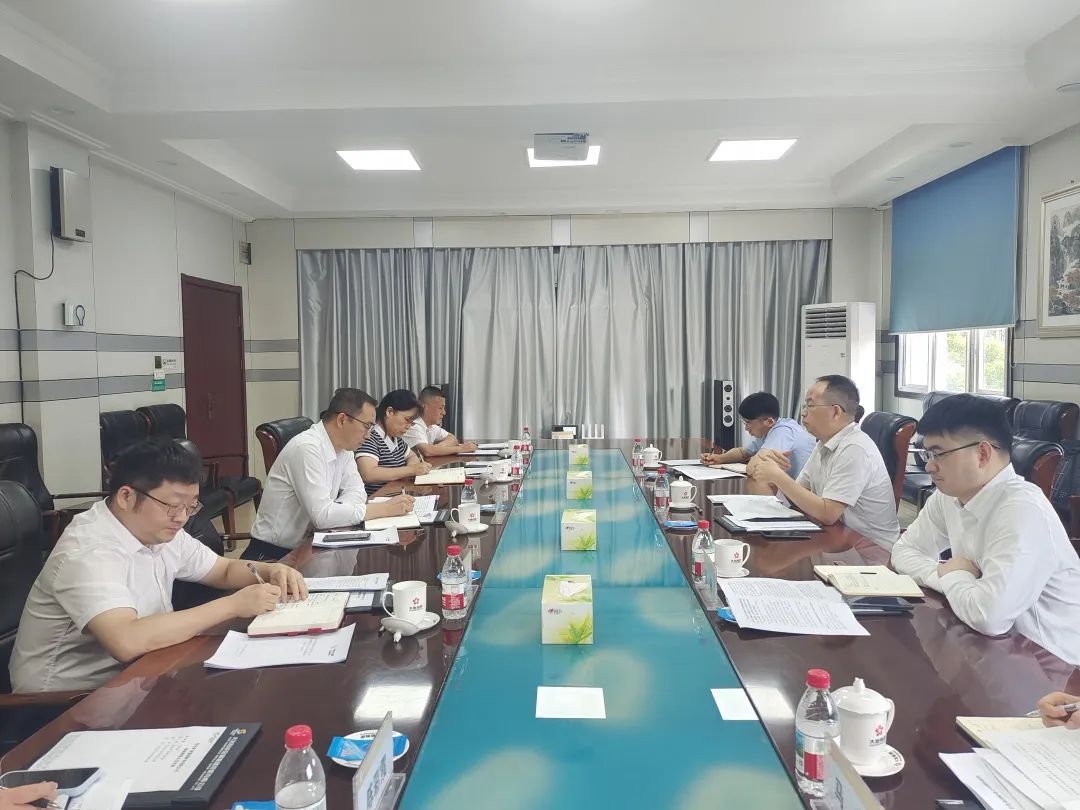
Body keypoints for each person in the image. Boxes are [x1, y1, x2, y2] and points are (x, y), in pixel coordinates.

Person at [9, 439, 307, 694]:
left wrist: (270, 570)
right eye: (173, 505)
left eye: (190, 506)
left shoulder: (157, 530)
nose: (182, 518)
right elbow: (126, 640)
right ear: (127, 496)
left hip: (140, 675)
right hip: (65, 703)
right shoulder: (88, 550)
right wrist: (233, 605)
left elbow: (223, 570)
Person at [891, 394, 1080, 664]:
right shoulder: (949, 496)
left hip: (1051, 665)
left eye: (938, 454)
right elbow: (904, 551)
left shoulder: (1023, 509)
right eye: (927, 454)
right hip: (990, 649)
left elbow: (990, 617)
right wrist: (948, 574)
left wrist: (955, 575)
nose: (929, 465)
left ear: (982, 453)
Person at [246, 387, 414, 560]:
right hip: (274, 556)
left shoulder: (344, 448)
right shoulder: (307, 448)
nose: (369, 435)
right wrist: (383, 509)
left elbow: (357, 491)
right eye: (366, 427)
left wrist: (336, 513)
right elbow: (322, 516)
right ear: (342, 420)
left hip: (316, 544)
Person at [748, 374, 901, 551]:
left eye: (810, 405)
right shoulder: (824, 443)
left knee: (772, 558)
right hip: (837, 538)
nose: (803, 412)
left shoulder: (855, 448)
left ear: (835, 412)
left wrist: (777, 476)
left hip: (870, 550)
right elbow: (799, 493)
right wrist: (770, 474)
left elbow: (828, 513)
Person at [700, 391, 816, 478]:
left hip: (804, 496)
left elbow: (753, 469)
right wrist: (719, 458)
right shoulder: (769, 430)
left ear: (769, 422)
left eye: (748, 423)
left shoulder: (783, 431)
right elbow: (743, 452)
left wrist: (756, 460)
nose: (746, 428)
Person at [357, 389, 433, 495]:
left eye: (411, 423)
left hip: (396, 496)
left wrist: (414, 468)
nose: (408, 427)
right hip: (377, 500)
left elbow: (412, 456)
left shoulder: (396, 438)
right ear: (390, 412)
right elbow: (369, 474)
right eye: (407, 420)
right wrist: (411, 470)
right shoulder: (369, 437)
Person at [403, 385, 478, 457]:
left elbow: (452, 438)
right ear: (424, 407)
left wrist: (438, 448)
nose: (444, 412)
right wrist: (461, 448)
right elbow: (427, 451)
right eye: (440, 408)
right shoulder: (413, 425)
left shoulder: (432, 426)